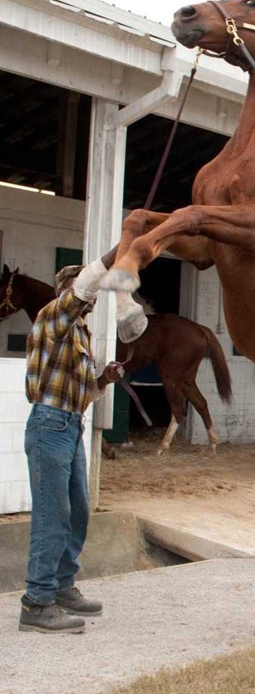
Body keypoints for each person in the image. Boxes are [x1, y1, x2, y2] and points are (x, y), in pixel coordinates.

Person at [20, 254, 148, 634]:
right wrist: (115, 255)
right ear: (67, 292)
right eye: (87, 291)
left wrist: (104, 380)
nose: (93, 299)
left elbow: (81, 395)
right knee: (52, 516)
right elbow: (79, 293)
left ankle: (61, 588)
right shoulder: (52, 318)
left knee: (77, 512)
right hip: (50, 427)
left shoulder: (79, 333)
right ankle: (36, 602)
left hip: (70, 425)